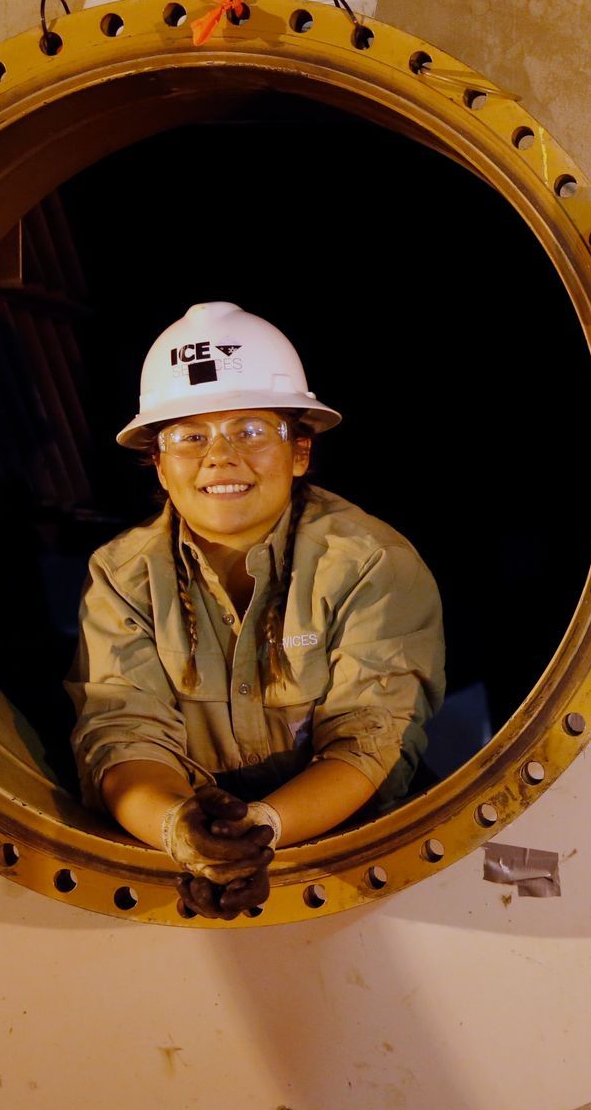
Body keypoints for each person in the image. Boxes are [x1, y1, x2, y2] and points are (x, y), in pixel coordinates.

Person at [66, 301, 446, 919]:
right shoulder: (120, 576)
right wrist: (181, 835)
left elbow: (372, 737)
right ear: (158, 465)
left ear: (299, 452)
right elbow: (121, 732)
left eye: (250, 430)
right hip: (181, 858)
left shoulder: (371, 563)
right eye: (189, 436)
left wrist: (262, 829)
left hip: (364, 861)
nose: (219, 458)